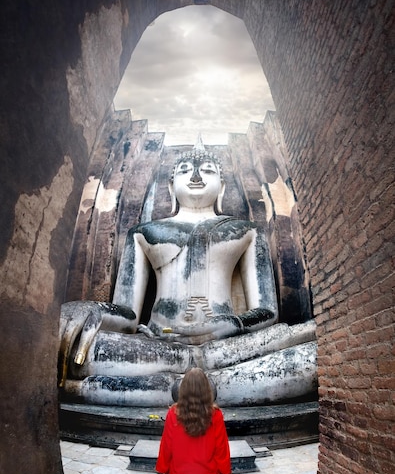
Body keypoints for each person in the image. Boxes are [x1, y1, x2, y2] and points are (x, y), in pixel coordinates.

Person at [58, 144, 316, 406]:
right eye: (184, 171)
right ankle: (218, 388)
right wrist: (93, 310)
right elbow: (129, 317)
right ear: (171, 187)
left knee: (315, 353)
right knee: (79, 347)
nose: (195, 177)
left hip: (227, 349)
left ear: (222, 187)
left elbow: (267, 311)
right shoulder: (143, 233)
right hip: (160, 347)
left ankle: (154, 391)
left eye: (206, 171)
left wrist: (230, 325)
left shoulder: (247, 231)